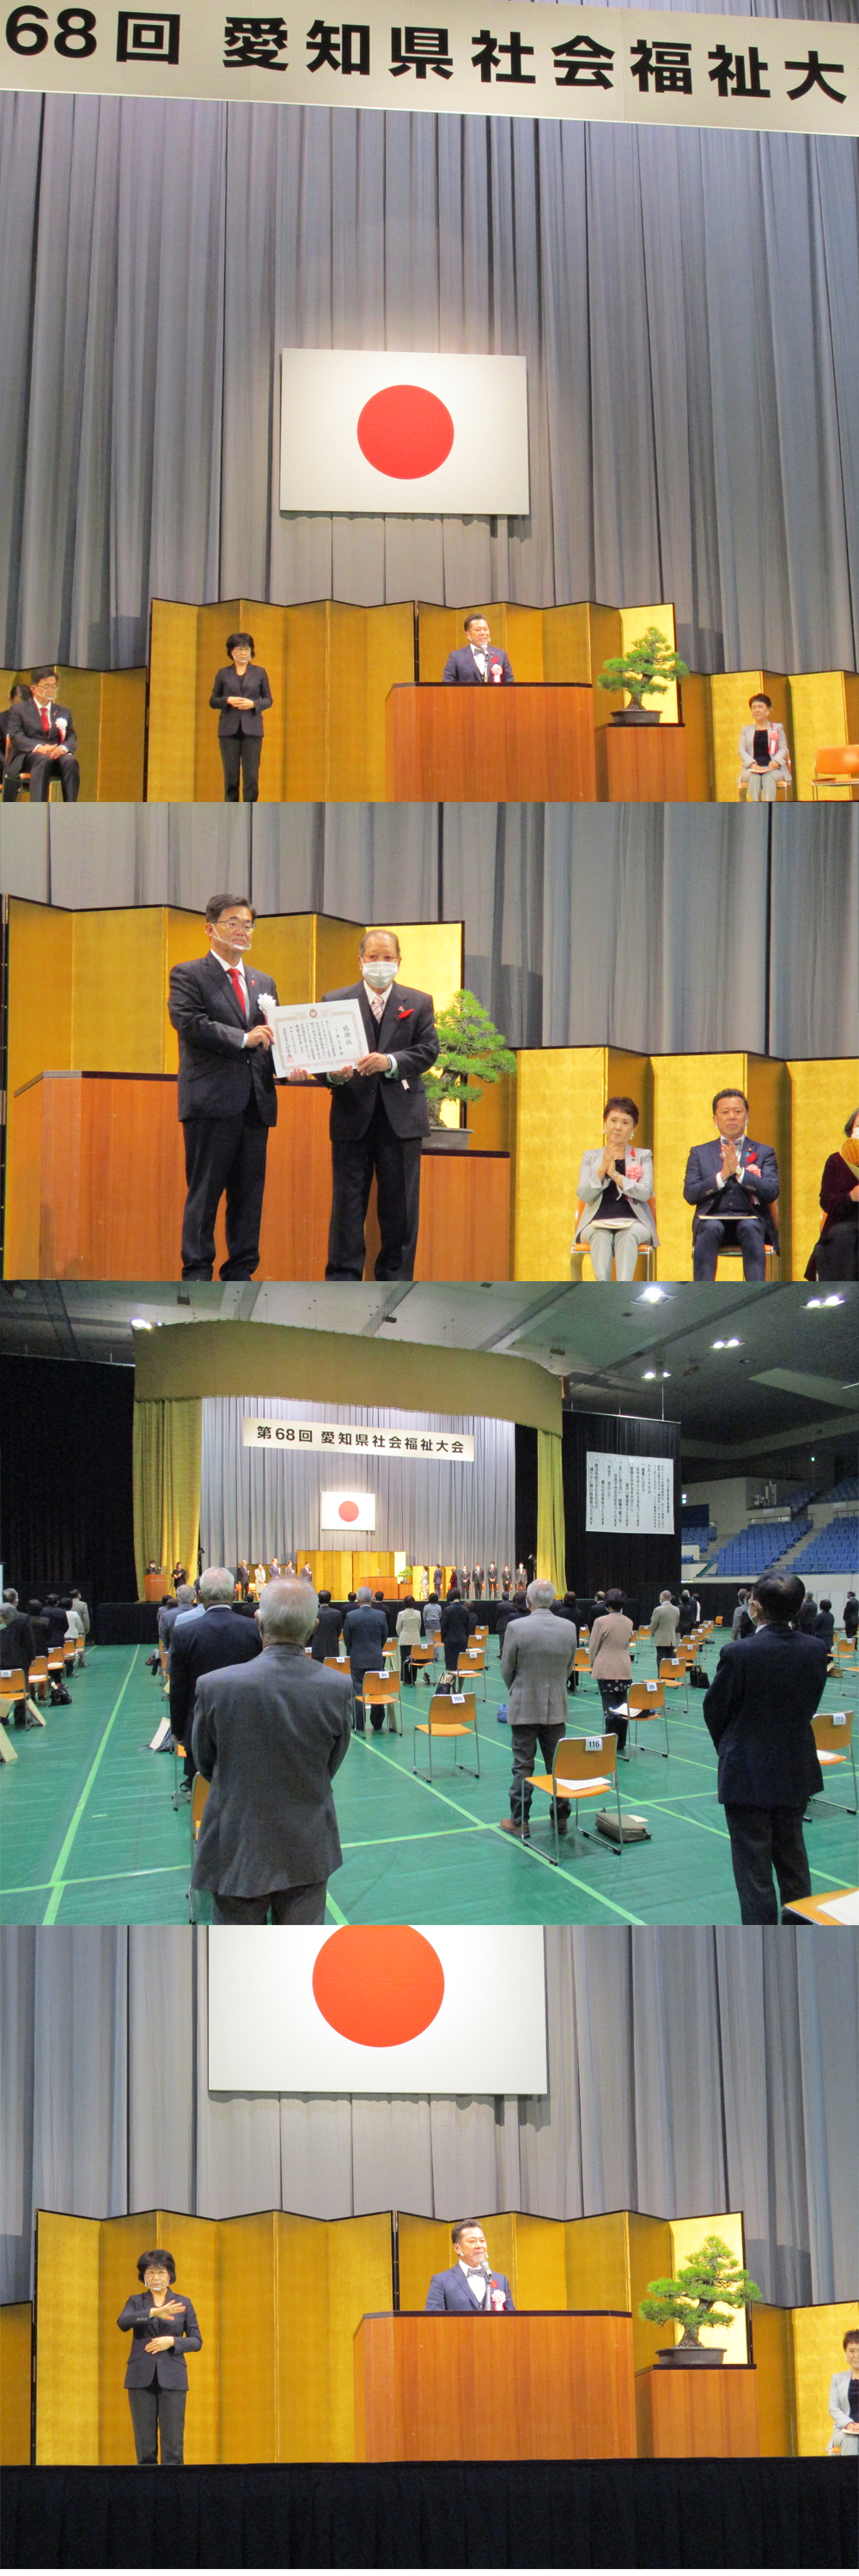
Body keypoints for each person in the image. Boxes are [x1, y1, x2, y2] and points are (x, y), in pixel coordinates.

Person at [192, 1577, 352, 1923]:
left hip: (236, 1845)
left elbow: (205, 1763)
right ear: (314, 1628)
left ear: (259, 1621)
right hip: (307, 1846)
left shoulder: (215, 1687)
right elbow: (332, 1762)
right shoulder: (337, 1687)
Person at [288, 927, 438, 1282]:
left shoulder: (419, 1002)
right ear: (360, 961)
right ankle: (341, 1281)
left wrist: (390, 1062)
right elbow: (321, 1061)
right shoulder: (334, 1001)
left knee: (400, 1210)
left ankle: (395, 1284)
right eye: (373, 957)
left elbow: (428, 1051)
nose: (380, 964)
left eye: (388, 958)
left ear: (399, 962)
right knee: (347, 1207)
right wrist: (334, 1077)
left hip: (401, 1120)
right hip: (351, 1116)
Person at [702, 1573, 827, 1925]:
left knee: (753, 1872)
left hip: (747, 1771)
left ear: (754, 1607)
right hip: (795, 1765)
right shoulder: (816, 1649)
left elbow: (716, 1710)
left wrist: (731, 1747)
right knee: (793, 1860)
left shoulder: (739, 1653)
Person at [168, 894, 278, 1281]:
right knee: (205, 1194)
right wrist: (243, 1038)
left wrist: (292, 1063)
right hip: (211, 1103)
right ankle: (197, 1272)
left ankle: (241, 1273)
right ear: (210, 927)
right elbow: (190, 1023)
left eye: (248, 924)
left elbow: (272, 1037)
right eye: (233, 922)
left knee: (249, 1198)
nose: (242, 931)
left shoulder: (262, 981)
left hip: (256, 1103)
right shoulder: (188, 974)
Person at [169, 1567, 262, 1789]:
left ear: (200, 1595)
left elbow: (179, 1688)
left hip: (199, 1722)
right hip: (246, 1721)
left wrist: (178, 1729)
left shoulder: (184, 1633)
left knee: (200, 1785)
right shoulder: (254, 1629)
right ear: (233, 1594)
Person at [500, 1579, 576, 1838]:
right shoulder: (568, 1627)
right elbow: (569, 1666)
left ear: (528, 1601)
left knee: (523, 1765)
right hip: (557, 1706)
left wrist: (518, 1690)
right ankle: (562, 1818)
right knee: (558, 1766)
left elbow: (507, 1668)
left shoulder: (516, 1627)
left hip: (524, 1706)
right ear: (553, 1601)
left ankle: (520, 1821)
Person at [117, 2251, 202, 2466]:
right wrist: (155, 2312)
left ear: (170, 2275)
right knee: (145, 2446)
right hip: (140, 2376)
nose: (155, 2277)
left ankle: (173, 2493)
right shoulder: (136, 2301)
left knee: (173, 2445)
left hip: (173, 2375)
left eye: (160, 2272)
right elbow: (123, 2322)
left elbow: (196, 2341)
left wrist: (172, 2342)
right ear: (143, 2276)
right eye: (150, 2272)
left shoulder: (184, 2302)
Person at [685, 1089, 779, 1281]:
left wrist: (740, 1172)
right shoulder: (699, 1153)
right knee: (710, 1227)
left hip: (750, 1218)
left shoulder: (764, 1152)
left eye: (737, 1112)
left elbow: (771, 1192)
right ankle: (703, 1294)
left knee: (751, 1226)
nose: (731, 1117)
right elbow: (691, 1194)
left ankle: (755, 1292)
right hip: (711, 1220)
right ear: (715, 1120)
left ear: (747, 1117)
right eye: (725, 1112)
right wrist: (722, 1176)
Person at [573, 1097, 658, 1283]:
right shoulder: (590, 1156)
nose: (618, 1127)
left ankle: (623, 1289)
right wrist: (602, 1170)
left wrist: (617, 1176)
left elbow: (645, 1193)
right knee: (599, 1235)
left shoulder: (643, 1156)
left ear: (633, 1129)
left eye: (625, 1122)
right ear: (605, 1123)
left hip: (634, 1221)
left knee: (628, 1236)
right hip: (596, 1222)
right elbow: (584, 1195)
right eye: (613, 1120)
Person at [209, 632, 272, 803]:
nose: (243, 653)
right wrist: (227, 700)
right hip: (229, 730)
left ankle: (251, 809)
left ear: (251, 651)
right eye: (239, 649)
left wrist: (254, 705)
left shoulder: (260, 672)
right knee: (231, 778)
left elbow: (268, 700)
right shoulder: (223, 673)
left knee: (251, 778)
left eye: (247, 649)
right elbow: (213, 701)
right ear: (231, 652)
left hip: (252, 729)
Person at [2, 665, 79, 801]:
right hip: (28, 757)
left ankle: (70, 810)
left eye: (53, 686)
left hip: (55, 756)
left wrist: (62, 749)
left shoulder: (63, 712)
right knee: (42, 760)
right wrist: (39, 748)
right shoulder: (20, 710)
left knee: (70, 761)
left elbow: (71, 736)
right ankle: (39, 810)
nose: (50, 690)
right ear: (34, 689)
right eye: (46, 686)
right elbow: (16, 736)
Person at [806, 1109, 859, 1283]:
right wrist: (850, 1197)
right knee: (842, 1237)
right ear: (851, 1131)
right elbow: (826, 1201)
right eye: (858, 1126)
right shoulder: (836, 1161)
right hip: (843, 1223)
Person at [425, 2222, 515, 2312]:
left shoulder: (500, 2280)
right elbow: (432, 2321)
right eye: (472, 2241)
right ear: (457, 2248)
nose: (479, 2246)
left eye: (482, 2241)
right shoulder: (442, 2281)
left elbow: (512, 2319)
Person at [588, 1588, 634, 1756]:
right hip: (623, 1667)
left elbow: (593, 1646)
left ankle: (608, 1742)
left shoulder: (600, 1622)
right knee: (622, 1707)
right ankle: (620, 1743)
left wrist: (593, 1662)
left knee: (609, 1708)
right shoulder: (629, 1622)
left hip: (606, 1667)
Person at [342, 1586, 389, 1731]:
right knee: (377, 1691)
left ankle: (359, 1724)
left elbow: (347, 1639)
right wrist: (376, 1649)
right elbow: (384, 1637)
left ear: (358, 1599)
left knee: (357, 1692)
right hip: (375, 1658)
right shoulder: (380, 1615)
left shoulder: (351, 1616)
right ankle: (377, 1723)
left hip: (357, 1659)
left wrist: (353, 1651)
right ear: (372, 1599)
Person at [738, 694, 791, 802]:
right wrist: (753, 764)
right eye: (754, 707)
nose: (757, 710)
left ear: (768, 709)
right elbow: (742, 751)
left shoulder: (777, 728)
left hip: (773, 769)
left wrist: (775, 761)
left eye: (760, 707)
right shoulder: (745, 730)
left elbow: (782, 748)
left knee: (768, 777)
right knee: (754, 777)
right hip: (751, 769)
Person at [442, 616, 515, 685]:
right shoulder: (456, 657)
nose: (483, 633)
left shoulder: (501, 655)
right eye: (478, 630)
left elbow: (509, 682)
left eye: (486, 629)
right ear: (467, 635)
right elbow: (448, 683)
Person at [829, 2330, 859, 2457]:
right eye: (851, 2351)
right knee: (848, 2440)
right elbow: (833, 2408)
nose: (856, 2356)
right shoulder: (837, 2379)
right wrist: (849, 2424)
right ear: (846, 2353)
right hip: (846, 2430)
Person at [439, 1587, 477, 1672]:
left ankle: (453, 1685)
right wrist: (466, 1638)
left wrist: (443, 1639)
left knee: (451, 1667)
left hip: (450, 1641)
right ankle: (460, 1686)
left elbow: (443, 1627)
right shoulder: (465, 1609)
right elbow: (468, 1626)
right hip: (462, 1640)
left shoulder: (447, 1610)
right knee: (462, 1666)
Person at [0, 681, 31, 781]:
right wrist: (6, 762)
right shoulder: (1, 720)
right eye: (17, 706)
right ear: (10, 700)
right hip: (4, 765)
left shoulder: (37, 721)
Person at [396, 1595, 423, 1684]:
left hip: (404, 1640)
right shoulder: (418, 1613)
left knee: (404, 1660)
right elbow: (419, 1626)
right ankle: (413, 1679)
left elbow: (398, 1628)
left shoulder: (401, 1614)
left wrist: (402, 1635)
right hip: (416, 1639)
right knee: (414, 1660)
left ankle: (405, 1679)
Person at [311, 1590, 343, 1662]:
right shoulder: (337, 1613)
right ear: (330, 1600)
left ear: (318, 1600)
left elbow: (311, 1631)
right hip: (333, 1646)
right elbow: (338, 1630)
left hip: (317, 1646)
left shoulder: (314, 1613)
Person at [650, 1591, 679, 1656]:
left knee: (661, 1660)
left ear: (661, 1598)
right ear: (670, 1598)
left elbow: (653, 1625)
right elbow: (676, 1624)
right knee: (670, 1660)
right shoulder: (676, 1609)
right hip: (672, 1640)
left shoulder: (658, 1609)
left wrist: (653, 1632)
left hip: (661, 1640)